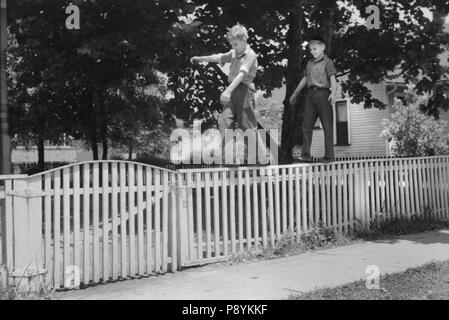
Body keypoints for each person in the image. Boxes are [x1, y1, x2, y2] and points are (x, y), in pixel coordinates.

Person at [190, 24, 266, 165]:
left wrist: (228, 90)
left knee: (247, 125)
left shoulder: (251, 55)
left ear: (244, 40)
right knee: (224, 121)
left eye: (236, 44)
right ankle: (228, 157)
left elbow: (242, 75)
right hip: (232, 91)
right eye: (232, 45)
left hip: (244, 91)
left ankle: (261, 157)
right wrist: (200, 58)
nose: (234, 47)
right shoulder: (234, 53)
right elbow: (219, 57)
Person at [289, 34, 337, 163]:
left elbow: (332, 77)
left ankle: (329, 156)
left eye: (315, 48)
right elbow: (305, 78)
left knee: (327, 125)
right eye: (310, 49)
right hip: (310, 95)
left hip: (323, 94)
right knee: (306, 125)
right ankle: (306, 154)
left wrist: (334, 92)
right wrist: (295, 93)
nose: (312, 51)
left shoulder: (328, 62)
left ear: (323, 47)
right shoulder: (309, 63)